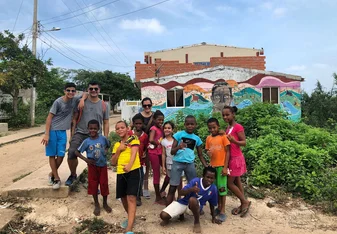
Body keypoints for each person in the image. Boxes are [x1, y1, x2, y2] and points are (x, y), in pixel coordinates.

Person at [66, 81, 110, 186]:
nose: (93, 91)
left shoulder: (104, 105)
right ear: (88, 90)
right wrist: (72, 136)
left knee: (95, 159)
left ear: (99, 90)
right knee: (72, 153)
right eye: (91, 89)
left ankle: (94, 182)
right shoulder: (81, 102)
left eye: (96, 89)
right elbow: (74, 119)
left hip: (97, 135)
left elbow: (106, 122)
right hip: (80, 132)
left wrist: (105, 138)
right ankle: (73, 175)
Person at [41, 82, 80, 189]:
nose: (70, 92)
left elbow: (86, 94)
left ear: (75, 92)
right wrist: (46, 134)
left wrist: (83, 99)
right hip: (53, 131)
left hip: (63, 131)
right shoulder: (58, 102)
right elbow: (49, 118)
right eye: (68, 90)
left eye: (73, 91)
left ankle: (51, 174)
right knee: (52, 155)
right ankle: (57, 179)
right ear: (64, 91)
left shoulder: (74, 100)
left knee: (61, 155)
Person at [160, 166, 221, 233]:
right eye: (207, 177)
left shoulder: (213, 189)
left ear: (214, 179)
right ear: (203, 176)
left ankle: (197, 222)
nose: (209, 180)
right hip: (183, 202)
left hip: (195, 205)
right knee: (163, 215)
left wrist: (213, 217)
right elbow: (180, 192)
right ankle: (180, 214)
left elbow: (212, 204)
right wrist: (191, 189)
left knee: (192, 200)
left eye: (212, 178)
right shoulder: (195, 181)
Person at [166, 115, 208, 206]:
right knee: (173, 187)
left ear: (195, 125)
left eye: (192, 124)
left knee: (193, 186)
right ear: (185, 124)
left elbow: (200, 155)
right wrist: (179, 147)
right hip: (177, 163)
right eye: (188, 124)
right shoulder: (178, 135)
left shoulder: (197, 139)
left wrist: (206, 166)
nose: (190, 126)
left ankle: (193, 206)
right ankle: (167, 211)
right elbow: (172, 152)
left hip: (190, 164)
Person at [75, 119, 112, 216]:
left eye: (95, 128)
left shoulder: (103, 139)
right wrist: (86, 160)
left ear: (98, 129)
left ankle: (105, 203)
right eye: (91, 128)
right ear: (88, 129)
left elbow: (108, 144)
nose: (93, 130)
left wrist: (106, 151)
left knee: (104, 184)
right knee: (93, 185)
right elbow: (76, 152)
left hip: (103, 166)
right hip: (92, 167)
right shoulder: (86, 141)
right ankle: (96, 204)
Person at [112, 121, 142, 234]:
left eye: (122, 127)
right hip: (121, 173)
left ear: (127, 128)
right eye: (117, 128)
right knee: (123, 198)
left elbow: (134, 153)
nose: (120, 130)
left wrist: (129, 165)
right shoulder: (116, 145)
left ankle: (129, 228)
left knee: (131, 198)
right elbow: (113, 162)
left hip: (133, 170)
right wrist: (119, 150)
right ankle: (131, 217)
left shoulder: (133, 138)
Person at [222, 106, 251, 217]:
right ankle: (243, 203)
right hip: (231, 158)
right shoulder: (228, 127)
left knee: (229, 183)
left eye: (227, 114)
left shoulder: (238, 127)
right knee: (237, 180)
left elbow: (244, 142)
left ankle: (244, 201)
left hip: (236, 158)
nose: (225, 117)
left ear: (233, 114)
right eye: (223, 115)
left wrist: (234, 141)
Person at [205, 117, 230, 222]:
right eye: (210, 128)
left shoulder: (223, 137)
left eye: (214, 127)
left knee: (222, 189)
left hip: (221, 167)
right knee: (215, 189)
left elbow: (228, 152)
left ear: (218, 126)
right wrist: (208, 153)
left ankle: (223, 210)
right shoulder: (208, 138)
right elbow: (207, 150)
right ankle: (218, 207)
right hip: (213, 168)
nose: (212, 130)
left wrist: (225, 167)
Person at [129, 113, 149, 206]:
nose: (138, 125)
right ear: (133, 124)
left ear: (143, 124)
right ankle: (129, 195)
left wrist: (145, 152)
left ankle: (138, 196)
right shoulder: (129, 134)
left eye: (140, 124)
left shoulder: (145, 136)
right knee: (130, 178)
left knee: (140, 178)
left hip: (140, 161)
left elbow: (145, 147)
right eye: (136, 123)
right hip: (130, 161)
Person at [159, 121, 182, 199]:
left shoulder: (177, 140)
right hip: (169, 163)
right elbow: (163, 154)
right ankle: (171, 197)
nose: (167, 130)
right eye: (165, 128)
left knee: (180, 180)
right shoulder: (163, 141)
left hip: (178, 163)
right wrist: (163, 166)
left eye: (169, 128)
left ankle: (179, 196)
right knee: (172, 180)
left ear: (172, 130)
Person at [148, 110, 165, 205]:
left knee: (166, 171)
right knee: (156, 174)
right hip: (154, 153)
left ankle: (161, 191)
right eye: (159, 120)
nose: (161, 122)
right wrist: (159, 143)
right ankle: (158, 197)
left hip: (160, 152)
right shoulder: (153, 128)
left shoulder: (161, 128)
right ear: (154, 120)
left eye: (162, 120)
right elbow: (151, 139)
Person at [140, 97, 154, 199]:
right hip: (141, 144)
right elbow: (132, 127)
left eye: (149, 105)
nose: (147, 107)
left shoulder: (155, 116)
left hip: (152, 145)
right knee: (139, 167)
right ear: (142, 106)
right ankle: (138, 187)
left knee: (148, 167)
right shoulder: (138, 116)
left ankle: (145, 188)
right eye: (145, 105)